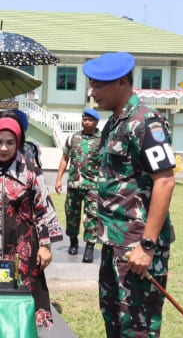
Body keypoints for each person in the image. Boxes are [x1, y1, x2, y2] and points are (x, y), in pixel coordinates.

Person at [83, 51, 176, 337]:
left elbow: (164, 181)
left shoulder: (146, 122)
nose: (92, 92)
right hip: (114, 242)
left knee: (138, 327)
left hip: (137, 245)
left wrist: (147, 245)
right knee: (115, 320)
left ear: (122, 82)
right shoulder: (113, 123)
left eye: (98, 85)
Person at [0, 118, 63, 329]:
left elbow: (43, 209)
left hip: (21, 246)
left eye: (10, 142)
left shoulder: (31, 171)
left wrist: (45, 246)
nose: (4, 148)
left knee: (20, 300)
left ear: (18, 143)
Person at [54, 108, 101, 263]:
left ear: (96, 122)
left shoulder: (103, 140)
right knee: (71, 215)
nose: (86, 122)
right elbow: (64, 158)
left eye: (90, 120)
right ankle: (73, 242)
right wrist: (59, 179)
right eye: (84, 119)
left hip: (93, 186)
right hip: (73, 185)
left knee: (92, 217)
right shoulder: (73, 137)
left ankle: (89, 248)